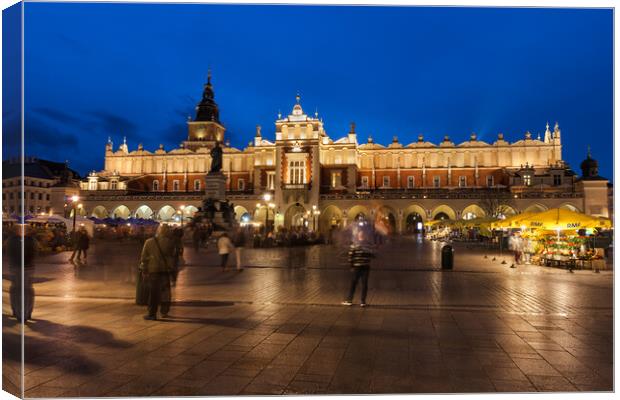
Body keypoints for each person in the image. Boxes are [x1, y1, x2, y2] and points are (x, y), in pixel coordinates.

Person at [138, 224, 175, 320]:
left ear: (158, 231)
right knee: (165, 292)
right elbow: (173, 257)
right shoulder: (170, 243)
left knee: (153, 292)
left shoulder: (149, 242)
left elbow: (144, 258)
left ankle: (152, 314)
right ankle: (164, 311)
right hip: (165, 270)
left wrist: (143, 269)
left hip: (153, 270)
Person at [6, 225, 37, 322]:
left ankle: (25, 313)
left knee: (24, 290)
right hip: (18, 267)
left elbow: (34, 252)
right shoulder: (14, 240)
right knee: (18, 290)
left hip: (25, 267)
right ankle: (18, 312)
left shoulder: (29, 240)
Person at [342, 229, 374, 307]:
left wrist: (351, 265)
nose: (361, 234)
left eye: (361, 233)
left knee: (357, 284)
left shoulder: (357, 244)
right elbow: (351, 255)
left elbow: (351, 256)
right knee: (361, 284)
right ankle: (360, 301)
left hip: (361, 267)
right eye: (361, 233)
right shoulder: (367, 244)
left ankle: (354, 300)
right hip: (362, 267)